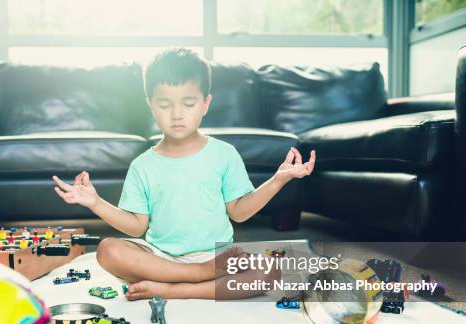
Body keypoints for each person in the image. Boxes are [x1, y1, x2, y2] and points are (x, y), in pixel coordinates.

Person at [53, 47, 315, 300]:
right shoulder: (142, 166)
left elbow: (239, 212)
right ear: (151, 105)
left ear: (205, 104)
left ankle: (174, 290)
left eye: (188, 103)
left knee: (271, 270)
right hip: (161, 260)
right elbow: (136, 227)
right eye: (165, 104)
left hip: (217, 257)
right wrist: (95, 203)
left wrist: (278, 180)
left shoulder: (224, 154)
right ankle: (196, 276)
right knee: (108, 250)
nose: (177, 114)